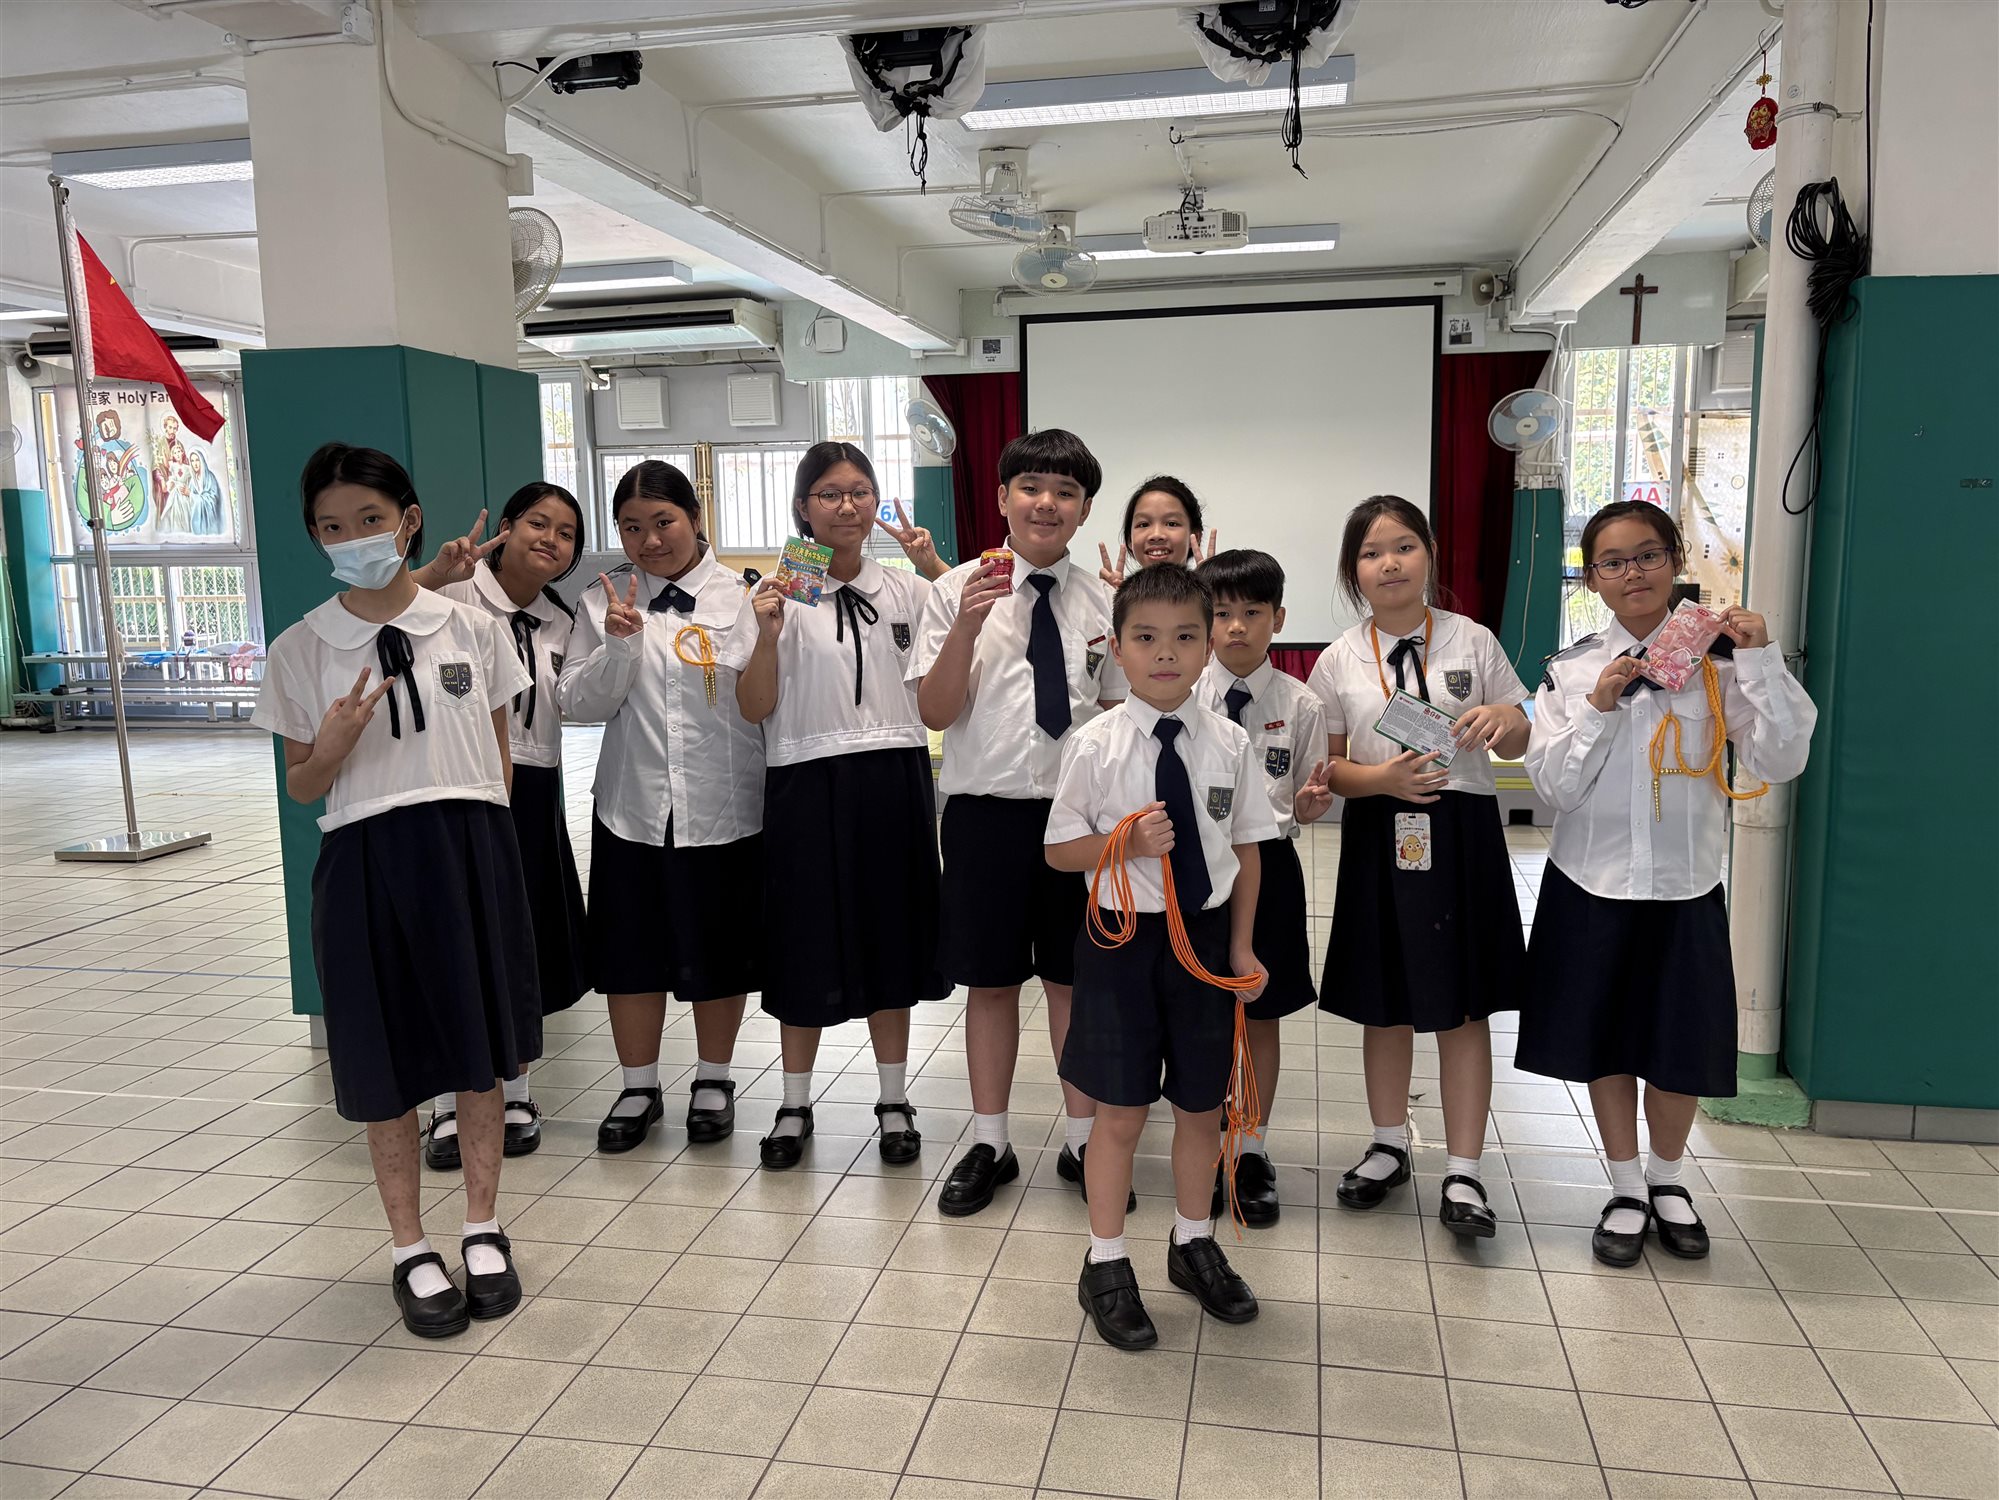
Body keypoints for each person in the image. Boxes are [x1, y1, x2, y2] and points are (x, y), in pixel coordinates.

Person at [250, 443, 534, 1339]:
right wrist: (333, 744)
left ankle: (482, 1227)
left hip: (470, 850)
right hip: (365, 859)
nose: (352, 539)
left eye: (368, 520)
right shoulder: (301, 648)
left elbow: (499, 758)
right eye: (331, 527)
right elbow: (302, 786)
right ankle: (410, 1246)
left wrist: (488, 856)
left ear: (407, 521)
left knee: (480, 1054)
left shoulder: (471, 628)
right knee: (385, 1062)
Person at [1520, 501, 1815, 1267]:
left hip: (1683, 886)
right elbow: (1553, 788)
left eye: (1648, 555)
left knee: (1679, 1043)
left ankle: (1667, 1179)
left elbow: (1780, 759)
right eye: (1612, 562)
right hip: (1590, 884)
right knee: (1607, 1040)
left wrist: (1761, 658)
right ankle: (1623, 1187)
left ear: (1674, 560)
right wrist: (1598, 708)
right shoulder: (1570, 669)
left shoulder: (1721, 660)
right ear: (1591, 579)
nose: (1633, 573)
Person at [1045, 563, 1275, 1351]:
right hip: (1120, 942)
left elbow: (1248, 846)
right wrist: (1124, 842)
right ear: (1116, 648)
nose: (1165, 653)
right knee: (1119, 1112)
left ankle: (1191, 1241)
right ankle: (1105, 1259)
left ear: (1208, 645)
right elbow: (1058, 850)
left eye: (1184, 637)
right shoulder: (1094, 744)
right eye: (1145, 638)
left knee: (1201, 1107)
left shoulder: (1230, 742)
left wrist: (1240, 945)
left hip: (1203, 943)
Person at [912, 428, 1128, 1217]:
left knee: (1075, 983)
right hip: (984, 818)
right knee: (992, 983)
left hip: (1079, 825)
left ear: (1084, 510)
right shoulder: (953, 590)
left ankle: (1082, 1142)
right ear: (1002, 497)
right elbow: (935, 711)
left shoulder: (1105, 603)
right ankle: (990, 1143)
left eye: (1065, 492)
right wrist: (967, 626)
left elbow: (1118, 715)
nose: (1046, 503)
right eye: (1030, 487)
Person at [1304, 496, 1529, 1239]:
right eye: (1371, 553)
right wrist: (1383, 779)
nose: (1389, 563)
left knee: (1462, 1006)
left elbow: (1519, 736)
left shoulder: (1472, 639)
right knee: (1385, 1001)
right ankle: (1386, 1145)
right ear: (1353, 572)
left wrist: (1506, 719)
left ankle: (1463, 1169)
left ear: (1428, 553)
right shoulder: (1339, 657)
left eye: (1403, 546)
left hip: (1461, 833)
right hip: (1382, 828)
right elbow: (1328, 770)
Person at [720, 441, 946, 1171]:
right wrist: (766, 634)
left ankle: (893, 1098)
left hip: (894, 773)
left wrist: (934, 567)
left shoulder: (908, 591)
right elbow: (754, 706)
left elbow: (957, 665)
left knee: (891, 937)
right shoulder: (775, 594)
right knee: (803, 939)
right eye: (829, 493)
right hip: (804, 776)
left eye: (859, 492)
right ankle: (793, 1102)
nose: (847, 506)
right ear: (802, 508)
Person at [556, 461, 765, 1153]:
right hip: (632, 805)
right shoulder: (600, 600)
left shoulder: (744, 596)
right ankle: (638, 1086)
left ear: (694, 518)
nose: (649, 540)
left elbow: (766, 699)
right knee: (630, 953)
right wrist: (618, 645)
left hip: (724, 801)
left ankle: (714, 1080)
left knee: (720, 950)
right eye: (631, 527)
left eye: (663, 522)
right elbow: (576, 703)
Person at [411, 482, 590, 1169]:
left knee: (519, 939)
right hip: (455, 781)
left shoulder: (559, 621)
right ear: (507, 528)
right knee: (453, 939)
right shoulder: (452, 596)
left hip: (533, 788)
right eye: (538, 524)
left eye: (566, 533)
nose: (551, 540)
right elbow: (377, 613)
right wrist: (434, 574)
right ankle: (445, 1103)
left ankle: (516, 1092)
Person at [1191, 548, 1329, 1225]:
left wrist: (1307, 806)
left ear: (1278, 618)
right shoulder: (1184, 693)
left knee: (1261, 1012)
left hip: (1269, 865)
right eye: (1222, 614)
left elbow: (1306, 794)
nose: (1237, 627)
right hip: (1196, 867)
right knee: (1199, 1010)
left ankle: (1249, 1150)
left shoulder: (1301, 703)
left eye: (1252, 612)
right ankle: (1201, 1143)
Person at [1096, 474, 1220, 589]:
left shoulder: (1211, 595)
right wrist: (1110, 599)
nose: (1156, 535)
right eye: (1143, 524)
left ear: (1195, 537)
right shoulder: (1117, 597)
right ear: (1130, 540)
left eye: (1172, 523)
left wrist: (1213, 596)